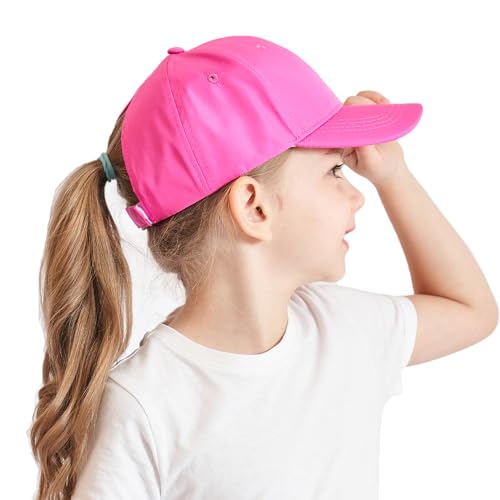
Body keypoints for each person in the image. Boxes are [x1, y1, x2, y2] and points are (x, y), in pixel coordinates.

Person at [29, 35, 497, 500]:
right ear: (254, 207)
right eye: (335, 170)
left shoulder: (343, 328)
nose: (358, 195)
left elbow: (471, 309)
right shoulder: (144, 405)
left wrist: (395, 177)